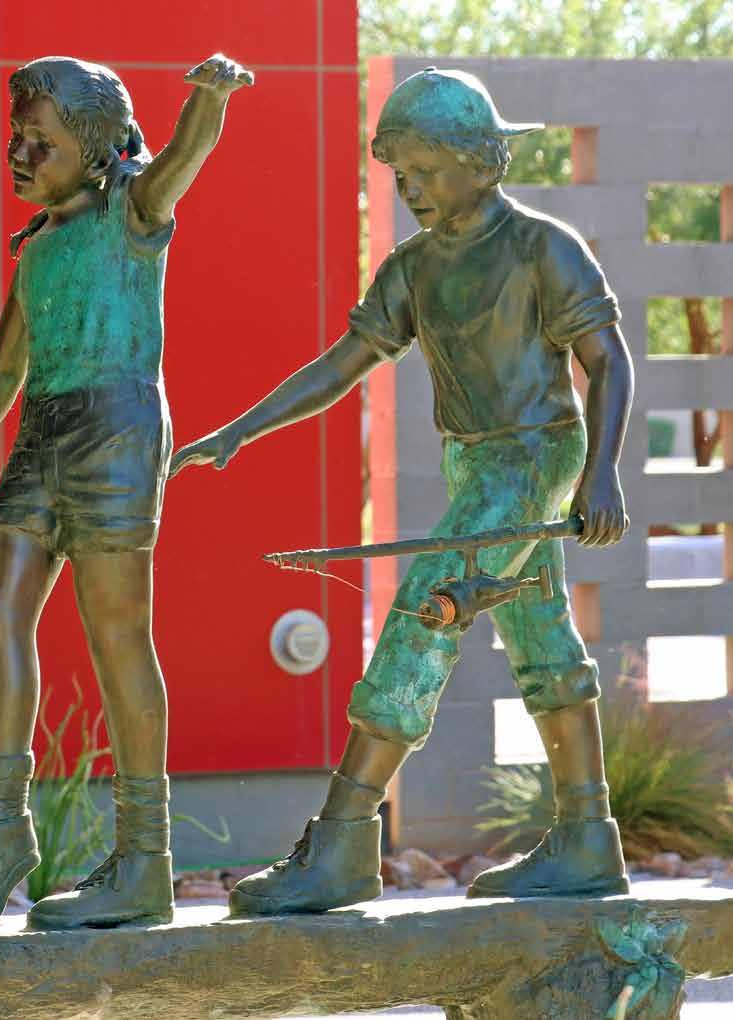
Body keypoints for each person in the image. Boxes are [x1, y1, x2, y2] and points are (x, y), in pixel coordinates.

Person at [172, 68, 635, 912]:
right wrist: (241, 429)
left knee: (429, 607)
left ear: (482, 161)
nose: (411, 189)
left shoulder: (543, 247)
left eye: (428, 170)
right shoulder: (413, 266)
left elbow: (608, 362)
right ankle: (587, 839)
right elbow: (343, 364)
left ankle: (345, 840)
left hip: (535, 458)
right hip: (475, 463)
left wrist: (601, 471)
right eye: (400, 174)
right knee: (540, 635)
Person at [0, 53, 252, 935]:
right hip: (41, 434)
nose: (19, 154)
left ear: (93, 151)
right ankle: (0, 832)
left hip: (117, 430)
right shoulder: (40, 246)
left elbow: (184, 157)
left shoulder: (134, 211)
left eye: (39, 142)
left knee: (117, 633)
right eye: (15, 136)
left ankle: (144, 859)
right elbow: (2, 370)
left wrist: (209, 96)